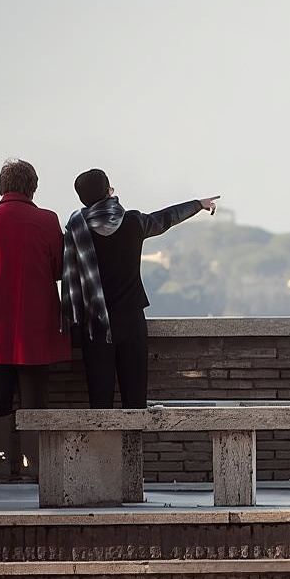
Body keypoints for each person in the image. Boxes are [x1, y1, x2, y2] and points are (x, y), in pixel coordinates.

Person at [62, 169, 218, 409]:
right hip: (131, 320)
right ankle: (132, 447)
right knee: (135, 403)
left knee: (99, 405)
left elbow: (68, 275)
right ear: (109, 192)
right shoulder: (133, 222)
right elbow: (166, 218)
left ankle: (102, 448)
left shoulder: (76, 228)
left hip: (95, 326)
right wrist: (198, 204)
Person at [0, 159, 72, 481]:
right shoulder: (47, 220)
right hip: (36, 327)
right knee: (34, 402)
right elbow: (59, 269)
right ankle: (33, 468)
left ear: (2, 187)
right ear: (33, 187)